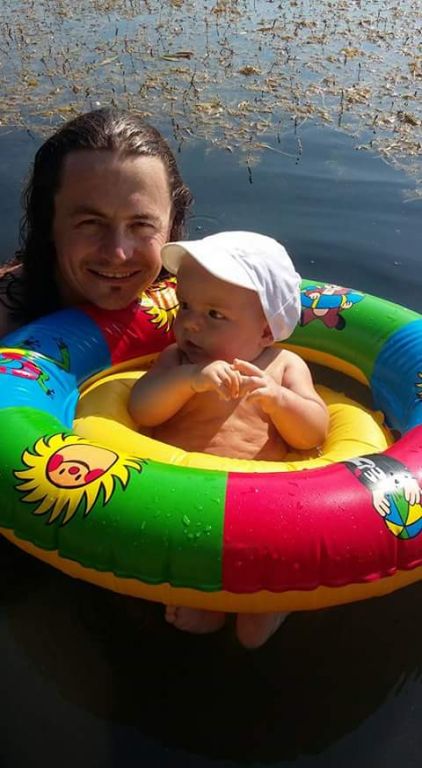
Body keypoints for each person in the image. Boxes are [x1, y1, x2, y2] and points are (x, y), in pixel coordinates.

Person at [129, 231, 329, 648]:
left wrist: (279, 401)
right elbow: (142, 409)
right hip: (178, 493)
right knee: (190, 560)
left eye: (215, 314)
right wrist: (188, 381)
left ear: (266, 332)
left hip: (262, 503)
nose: (190, 323)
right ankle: (210, 604)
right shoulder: (176, 361)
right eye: (185, 306)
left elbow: (313, 433)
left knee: (274, 553)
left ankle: (271, 601)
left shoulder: (283, 366)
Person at [0, 107, 192, 337]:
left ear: (172, 223)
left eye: (141, 225)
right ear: (48, 220)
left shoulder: (205, 310)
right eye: (91, 223)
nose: (117, 254)